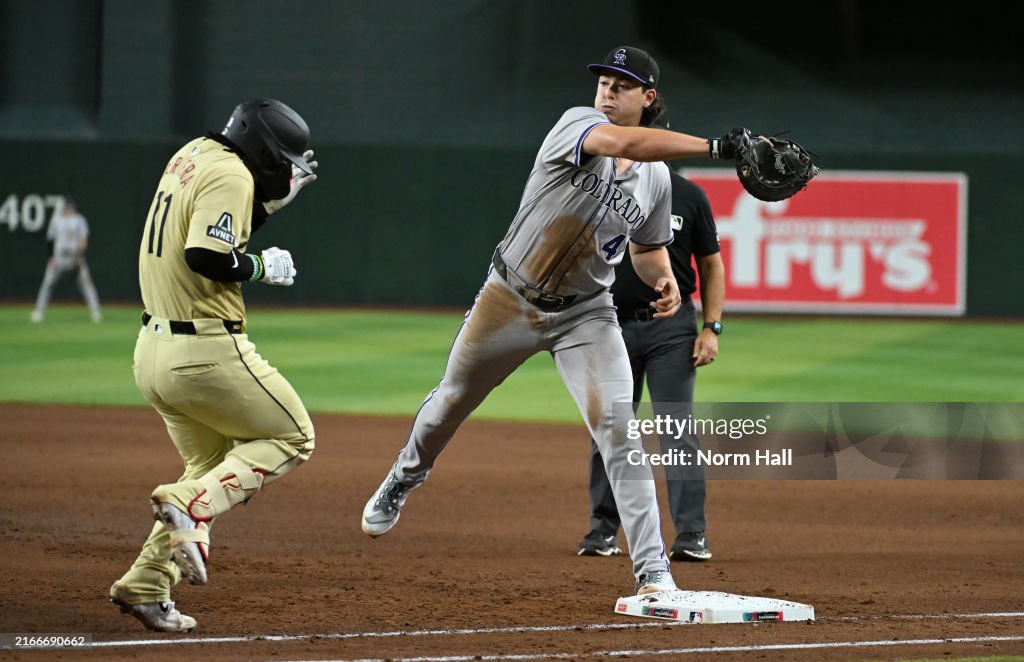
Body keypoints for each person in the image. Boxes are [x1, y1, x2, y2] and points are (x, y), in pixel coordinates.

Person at [361, 46, 747, 597]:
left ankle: (654, 571)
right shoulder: (579, 125)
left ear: (649, 97)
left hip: (587, 316)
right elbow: (623, 143)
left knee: (621, 433)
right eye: (604, 81)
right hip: (509, 298)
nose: (608, 91)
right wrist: (718, 146)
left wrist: (665, 279)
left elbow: (646, 249)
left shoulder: (658, 181)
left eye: (623, 84)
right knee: (451, 401)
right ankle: (404, 476)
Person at [109, 98, 319, 633]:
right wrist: (259, 266)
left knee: (208, 469)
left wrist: (267, 211)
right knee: (294, 437)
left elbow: (208, 228)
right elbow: (204, 255)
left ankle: (146, 584)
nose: (288, 168)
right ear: (268, 150)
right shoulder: (232, 174)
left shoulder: (195, 155)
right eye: (286, 158)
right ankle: (188, 506)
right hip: (205, 352)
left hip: (153, 350)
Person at [578, 112, 724, 562]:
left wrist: (712, 327)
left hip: (670, 331)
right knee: (611, 427)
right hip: (608, 324)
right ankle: (602, 528)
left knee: (676, 428)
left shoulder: (687, 195)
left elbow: (711, 264)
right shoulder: (590, 187)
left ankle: (691, 534)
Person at [30, 196, 102, 323]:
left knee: (86, 284)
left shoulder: (79, 220)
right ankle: (38, 311)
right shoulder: (56, 220)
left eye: (69, 206)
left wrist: (79, 254)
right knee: (47, 284)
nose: (68, 208)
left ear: (73, 207)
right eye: (66, 206)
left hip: (75, 257)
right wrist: (51, 257)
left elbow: (83, 240)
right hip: (59, 257)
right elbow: (50, 240)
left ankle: (95, 312)